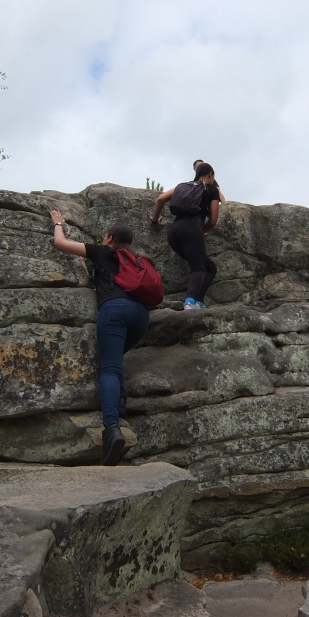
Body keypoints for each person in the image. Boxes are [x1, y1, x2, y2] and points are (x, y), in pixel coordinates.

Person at [49, 212, 150, 465]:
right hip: (141, 316)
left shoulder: (102, 252)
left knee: (109, 368)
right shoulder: (138, 260)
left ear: (109, 238)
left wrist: (58, 223)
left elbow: (60, 243)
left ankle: (111, 429)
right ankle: (121, 401)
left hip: (114, 311)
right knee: (115, 361)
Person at [150, 162, 220, 310]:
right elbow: (213, 220)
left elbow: (160, 199)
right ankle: (190, 301)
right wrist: (202, 231)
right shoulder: (212, 190)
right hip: (192, 228)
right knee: (198, 268)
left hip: (174, 232)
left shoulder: (183, 186)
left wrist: (155, 220)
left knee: (210, 268)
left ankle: (199, 301)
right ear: (210, 175)